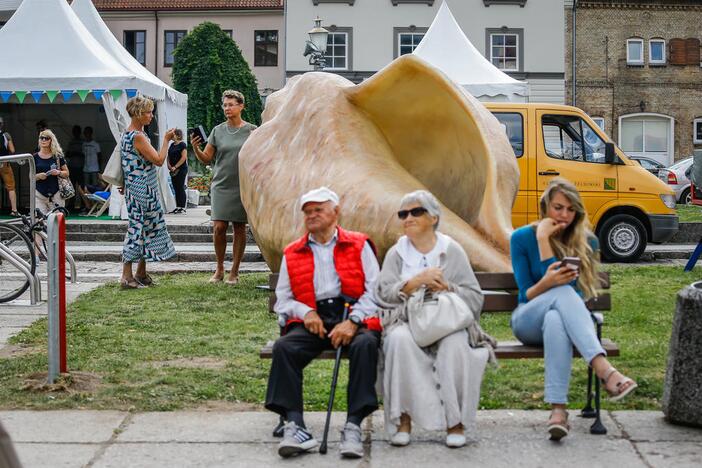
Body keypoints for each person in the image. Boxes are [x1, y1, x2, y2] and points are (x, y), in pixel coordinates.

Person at [510, 177, 637, 441]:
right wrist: (543, 241)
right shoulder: (522, 238)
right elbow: (526, 293)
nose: (564, 215)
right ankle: (604, 370)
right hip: (527, 319)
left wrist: (554, 283)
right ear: (545, 206)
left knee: (557, 317)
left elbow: (575, 299)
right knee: (560, 292)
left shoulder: (586, 242)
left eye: (571, 210)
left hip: (566, 320)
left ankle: (558, 412)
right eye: (558, 207)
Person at [265, 187, 381, 459]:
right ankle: (296, 425)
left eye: (318, 210)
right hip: (313, 319)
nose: (312, 216)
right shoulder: (293, 251)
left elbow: (375, 291)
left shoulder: (359, 244)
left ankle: (353, 425)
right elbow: (283, 298)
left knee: (365, 344)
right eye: (307, 212)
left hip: (352, 314)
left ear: (336, 213)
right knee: (285, 347)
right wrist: (305, 312)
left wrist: (353, 322)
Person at [375, 190, 493, 449]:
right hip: (406, 320)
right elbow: (382, 294)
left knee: (455, 344)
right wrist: (413, 283)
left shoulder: (451, 250)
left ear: (433, 217)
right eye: (403, 214)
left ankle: (455, 422)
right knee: (397, 340)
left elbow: (474, 297)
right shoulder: (397, 253)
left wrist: (447, 287)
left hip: (446, 320)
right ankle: (403, 420)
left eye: (416, 212)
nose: (408, 218)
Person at [191, 90, 256, 285]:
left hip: (242, 185)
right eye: (225, 105)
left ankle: (234, 271)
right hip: (221, 184)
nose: (227, 108)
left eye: (231, 104)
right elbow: (207, 158)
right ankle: (219, 268)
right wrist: (195, 148)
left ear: (241, 106)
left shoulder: (253, 130)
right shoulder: (217, 131)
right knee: (219, 227)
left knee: (239, 227)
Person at [119, 95, 176, 289]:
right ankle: (126, 276)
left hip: (138, 187)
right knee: (137, 228)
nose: (151, 115)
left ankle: (141, 272)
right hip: (143, 189)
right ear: (137, 114)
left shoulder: (127, 134)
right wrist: (167, 140)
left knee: (145, 228)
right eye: (148, 112)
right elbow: (159, 160)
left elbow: (126, 163)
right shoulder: (138, 136)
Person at [33, 129, 69, 214]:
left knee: (57, 221)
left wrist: (58, 172)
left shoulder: (57, 156)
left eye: (46, 138)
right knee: (40, 221)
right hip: (39, 194)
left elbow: (67, 173)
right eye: (41, 138)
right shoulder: (34, 157)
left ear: (51, 141)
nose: (43, 140)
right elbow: (30, 177)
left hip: (56, 194)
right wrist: (38, 176)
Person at [0, 116, 19, 216]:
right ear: (2, 125)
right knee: (11, 187)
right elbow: (12, 150)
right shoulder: (6, 135)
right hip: (4, 163)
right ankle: (14, 210)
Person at [167, 128, 188, 214]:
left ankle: (182, 207)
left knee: (180, 187)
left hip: (181, 169)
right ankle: (177, 206)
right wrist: (169, 165)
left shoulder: (182, 145)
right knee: (175, 187)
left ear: (178, 135)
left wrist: (175, 166)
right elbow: (168, 156)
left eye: (173, 134)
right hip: (173, 170)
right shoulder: (172, 145)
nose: (172, 136)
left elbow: (183, 157)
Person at [65, 125, 85, 211]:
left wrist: (78, 153)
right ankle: (71, 204)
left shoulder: (83, 142)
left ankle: (83, 204)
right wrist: (73, 153)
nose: (76, 133)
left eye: (77, 131)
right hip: (72, 166)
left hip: (81, 166)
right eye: (74, 131)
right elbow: (67, 154)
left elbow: (85, 154)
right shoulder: (71, 142)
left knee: (81, 187)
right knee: (72, 186)